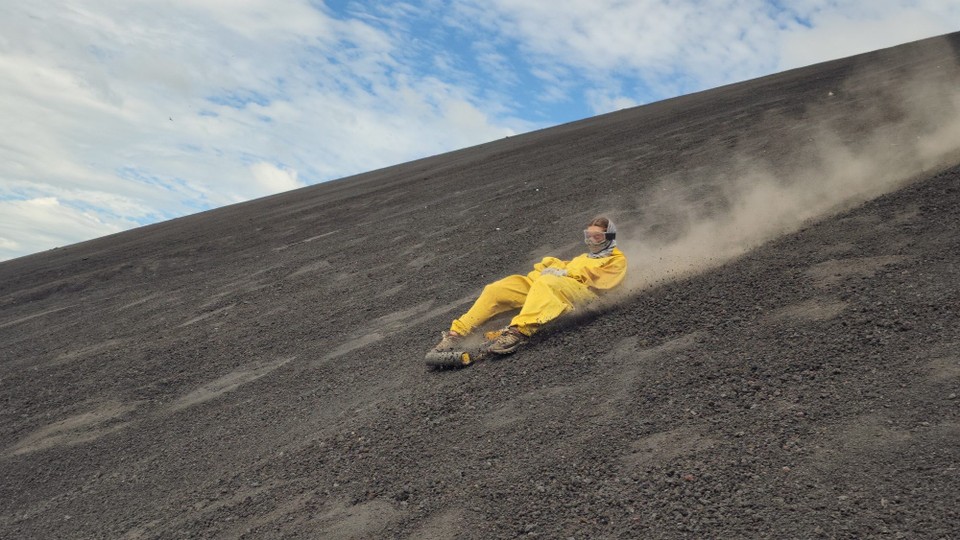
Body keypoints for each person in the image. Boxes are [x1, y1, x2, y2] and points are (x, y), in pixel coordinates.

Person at [434, 216, 627, 355]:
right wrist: (553, 268)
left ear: (609, 237)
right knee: (498, 289)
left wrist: (566, 273)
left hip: (585, 296)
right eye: (588, 235)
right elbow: (562, 270)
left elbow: (602, 282)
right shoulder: (582, 257)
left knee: (547, 282)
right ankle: (457, 334)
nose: (591, 240)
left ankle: (517, 332)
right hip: (553, 287)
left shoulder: (617, 259)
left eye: (598, 237)